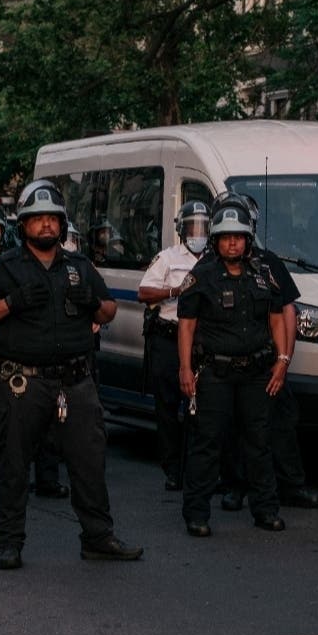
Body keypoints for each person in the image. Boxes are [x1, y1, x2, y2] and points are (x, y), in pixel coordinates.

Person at [0, 180, 143, 570]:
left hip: (76, 382)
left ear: (62, 224)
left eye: (52, 219)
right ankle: (8, 543)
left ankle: (98, 537)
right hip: (23, 382)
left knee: (90, 461)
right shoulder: (5, 267)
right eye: (37, 219)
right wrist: (10, 303)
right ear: (23, 224)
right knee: (13, 464)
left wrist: (93, 304)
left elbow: (109, 309)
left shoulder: (79, 266)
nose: (46, 225)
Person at [176, 202, 289, 538]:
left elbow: (277, 318)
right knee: (207, 443)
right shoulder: (202, 275)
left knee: (259, 442)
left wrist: (282, 362)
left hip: (257, 372)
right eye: (226, 238)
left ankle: (265, 510)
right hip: (215, 373)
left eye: (238, 238)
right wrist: (184, 368)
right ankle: (196, 514)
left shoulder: (261, 274)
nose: (233, 244)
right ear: (215, 240)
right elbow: (186, 325)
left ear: (248, 239)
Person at [138, 200, 210, 491]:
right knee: (168, 405)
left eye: (203, 227)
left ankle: (198, 468)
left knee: (201, 407)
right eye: (192, 226)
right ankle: (172, 469)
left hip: (200, 341)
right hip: (168, 336)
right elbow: (144, 291)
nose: (198, 233)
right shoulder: (168, 258)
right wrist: (174, 290)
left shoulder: (213, 259)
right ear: (182, 229)